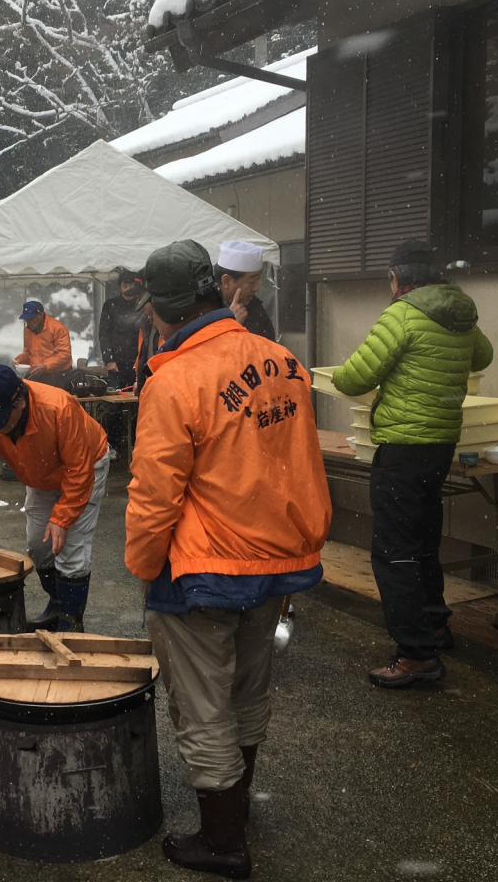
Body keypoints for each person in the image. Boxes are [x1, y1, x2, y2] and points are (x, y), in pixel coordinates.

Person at [125, 239, 331, 879]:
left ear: (164, 310)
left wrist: (143, 564)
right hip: (278, 561)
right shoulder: (283, 362)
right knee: (248, 687)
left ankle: (222, 842)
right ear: (215, 291)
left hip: (205, 570)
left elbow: (155, 492)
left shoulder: (175, 379)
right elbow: (295, 464)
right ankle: (237, 808)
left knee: (201, 705)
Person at [332, 240, 493, 689]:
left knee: (394, 551)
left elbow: (354, 378)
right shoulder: (459, 314)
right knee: (422, 541)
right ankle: (436, 626)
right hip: (440, 444)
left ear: (397, 279)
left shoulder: (401, 314)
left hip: (402, 446)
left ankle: (416, 654)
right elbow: (483, 357)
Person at [0, 364, 109, 632]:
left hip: (86, 468)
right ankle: (57, 605)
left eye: (3, 419)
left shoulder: (59, 408)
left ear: (20, 402)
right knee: (39, 545)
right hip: (40, 474)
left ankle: (71, 622)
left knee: (69, 548)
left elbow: (78, 470)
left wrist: (62, 517)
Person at [216, 239, 275, 341]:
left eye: (258, 281)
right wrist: (231, 325)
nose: (257, 288)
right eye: (251, 281)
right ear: (226, 282)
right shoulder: (204, 309)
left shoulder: (255, 308)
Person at [97, 269, 142, 388]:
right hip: (117, 363)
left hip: (137, 361)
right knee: (116, 399)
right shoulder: (110, 305)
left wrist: (141, 359)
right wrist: (109, 360)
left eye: (131, 285)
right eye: (125, 285)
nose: (128, 289)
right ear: (120, 287)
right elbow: (104, 333)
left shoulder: (142, 304)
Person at [14, 300, 72, 384]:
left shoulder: (58, 328)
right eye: (26, 319)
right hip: (38, 374)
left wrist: (45, 366)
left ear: (40, 315)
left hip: (59, 375)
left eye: (31, 318)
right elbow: (28, 353)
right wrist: (19, 360)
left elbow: (64, 355)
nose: (28, 322)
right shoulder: (28, 330)